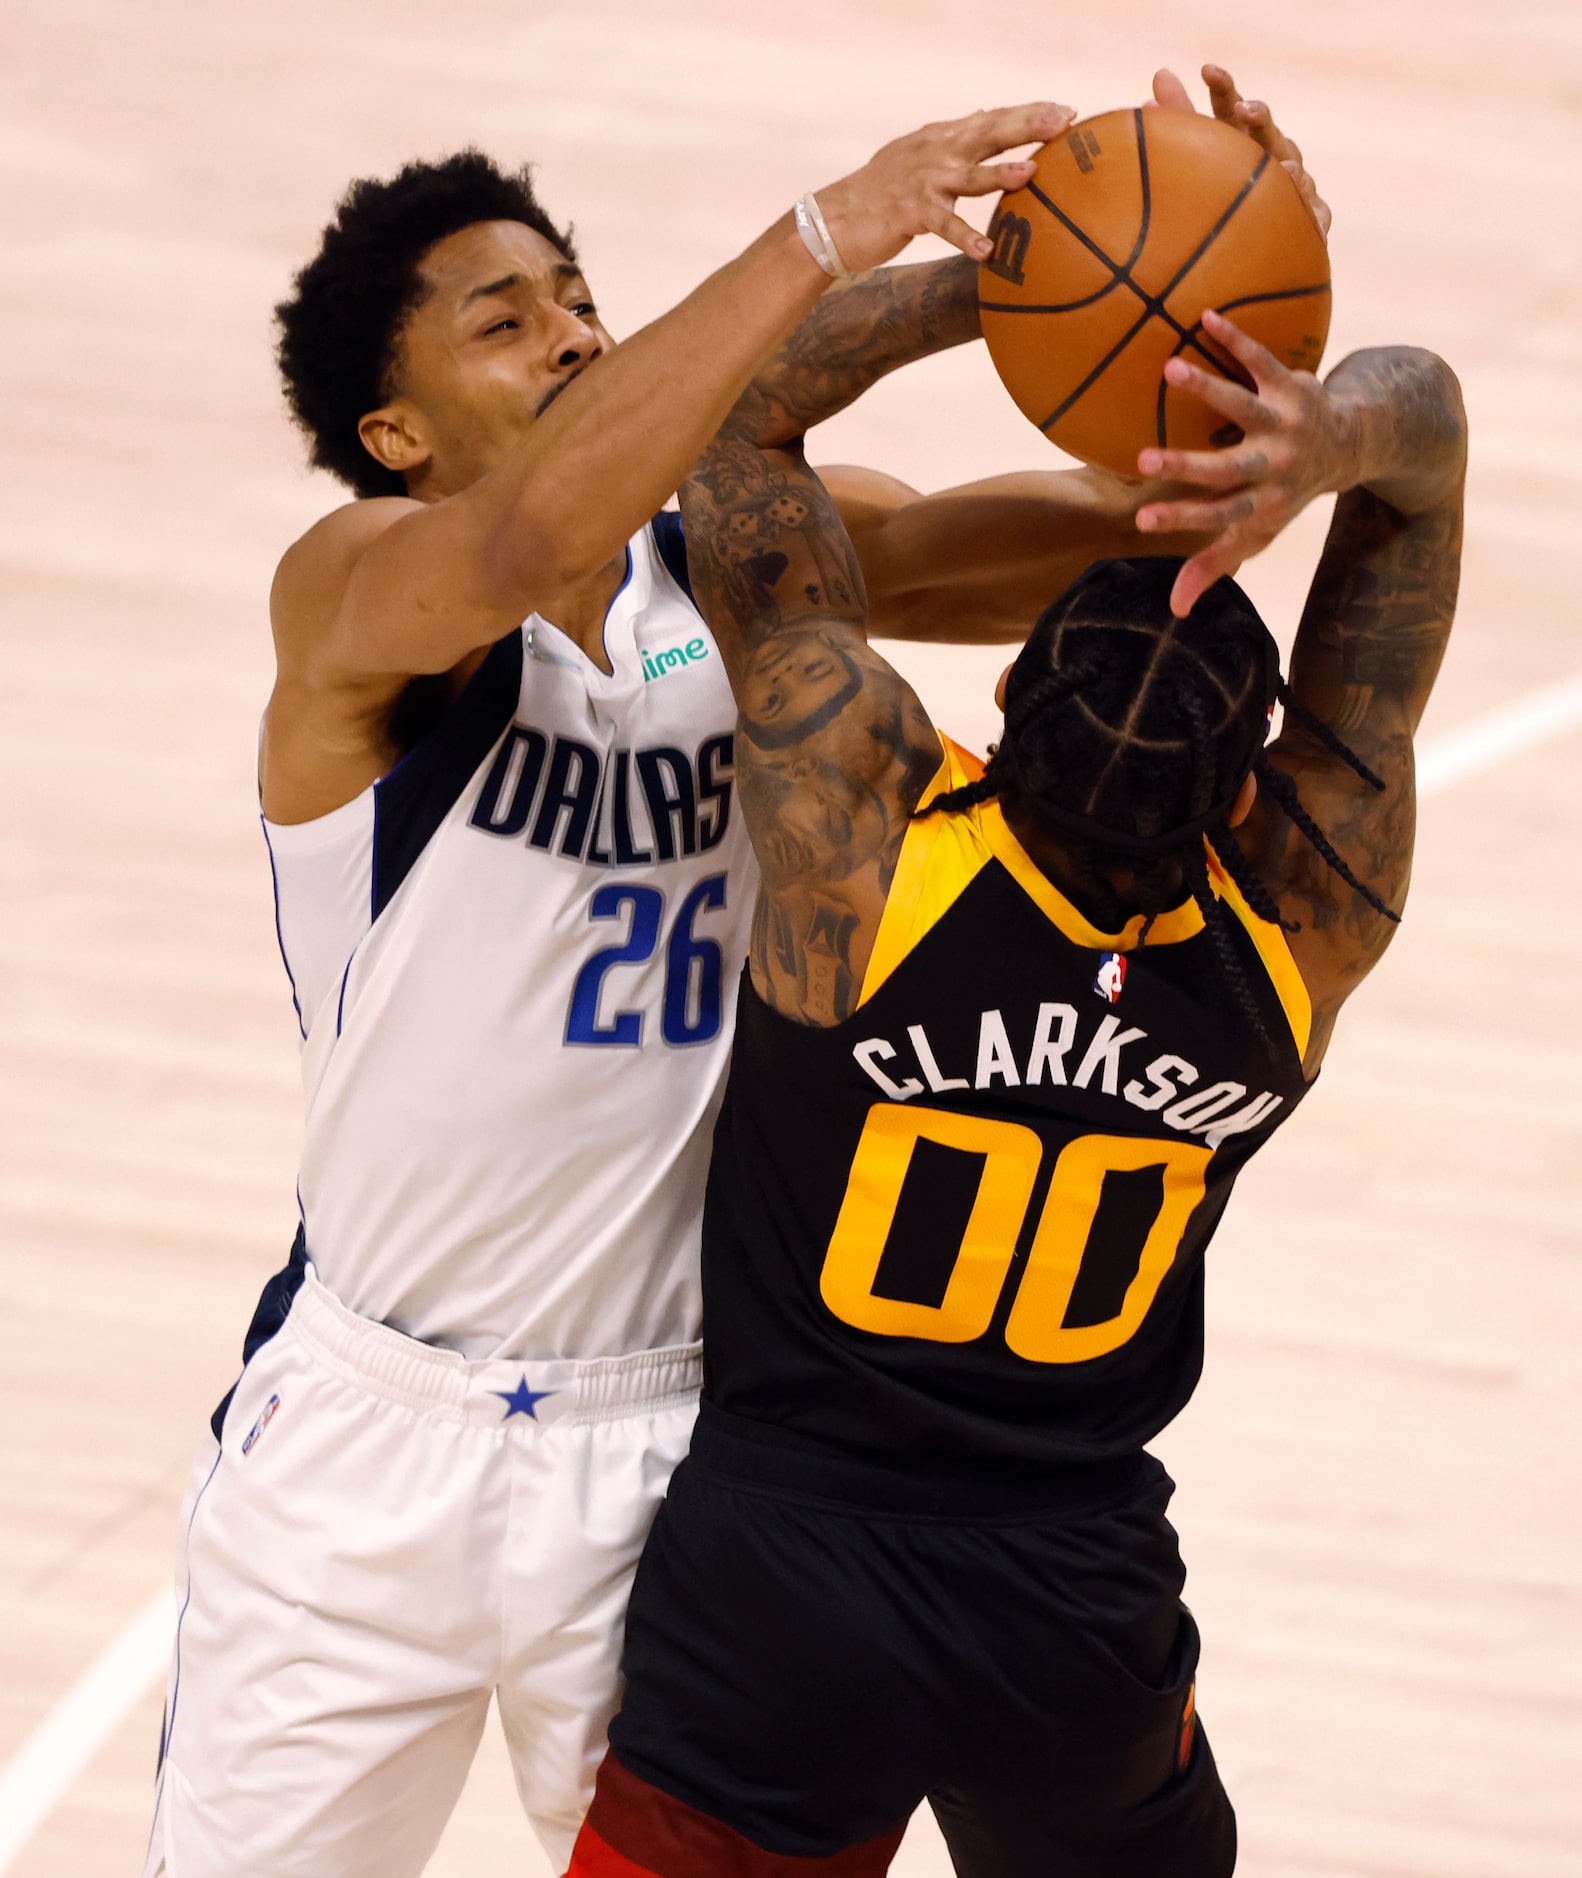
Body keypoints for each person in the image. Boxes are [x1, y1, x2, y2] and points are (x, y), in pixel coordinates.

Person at [143, 64, 1314, 1877]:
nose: (575, 331)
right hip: (363, 1436)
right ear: (393, 431)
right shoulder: (356, 590)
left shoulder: (743, 577)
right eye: (504, 317)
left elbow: (1106, 533)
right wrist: (829, 240)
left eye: (582, 298)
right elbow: (525, 537)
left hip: (672, 1448)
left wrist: (1160, 314)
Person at [568, 307, 1466, 1875]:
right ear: (1251, 788)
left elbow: (737, 431)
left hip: (780, 1578)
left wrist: (995, 284)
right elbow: (1429, 454)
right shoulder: (1302, 920)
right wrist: (1322, 443)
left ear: (982, 719)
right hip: (1070, 1602)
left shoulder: (857, 843)